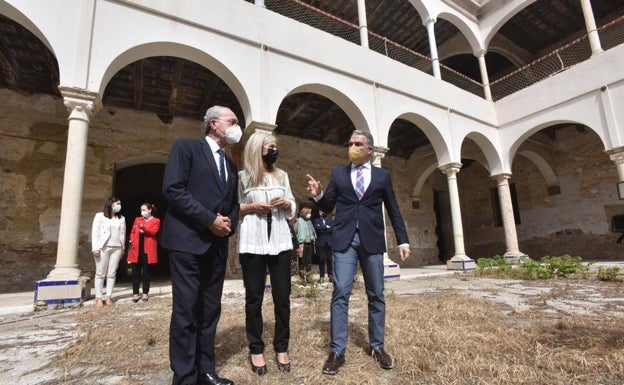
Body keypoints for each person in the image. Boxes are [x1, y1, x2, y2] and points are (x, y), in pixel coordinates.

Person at [306, 129, 411, 375]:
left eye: (358, 143)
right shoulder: (339, 173)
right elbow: (328, 205)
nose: (352, 146)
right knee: (340, 291)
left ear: (369, 150)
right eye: (350, 142)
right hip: (344, 241)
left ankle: (378, 347)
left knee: (376, 294)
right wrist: (318, 194)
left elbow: (394, 210)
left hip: (372, 242)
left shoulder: (382, 176)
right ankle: (337, 351)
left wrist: (403, 240)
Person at [160, 105, 241, 385]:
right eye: (232, 121)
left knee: (209, 311)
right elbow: (173, 189)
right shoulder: (187, 147)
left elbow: (233, 205)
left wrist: (228, 223)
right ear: (214, 123)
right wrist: (209, 220)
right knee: (186, 310)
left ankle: (206, 371)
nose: (236, 126)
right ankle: (184, 376)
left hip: (216, 246)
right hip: (187, 242)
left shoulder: (230, 165)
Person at [237, 131, 296, 375]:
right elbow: (234, 208)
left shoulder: (282, 175)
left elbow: (293, 204)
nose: (274, 150)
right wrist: (253, 206)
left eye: (275, 147)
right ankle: (256, 348)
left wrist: (286, 204)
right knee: (254, 298)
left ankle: (281, 347)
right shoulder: (242, 177)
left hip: (280, 243)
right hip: (253, 243)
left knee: (282, 298)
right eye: (269, 146)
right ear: (257, 149)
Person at [91, 196, 126, 307]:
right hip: (103, 247)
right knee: (100, 273)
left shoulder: (121, 218)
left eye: (120, 204)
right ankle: (98, 297)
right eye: (117, 203)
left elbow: (123, 234)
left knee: (111, 273)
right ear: (111, 204)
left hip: (117, 247)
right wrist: (95, 248)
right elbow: (95, 232)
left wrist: (123, 248)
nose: (119, 206)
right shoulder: (100, 216)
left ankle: (109, 296)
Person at [127, 202, 161, 303]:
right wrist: (132, 240)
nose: (142, 212)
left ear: (150, 210)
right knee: (135, 272)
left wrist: (143, 227)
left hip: (148, 249)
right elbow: (133, 232)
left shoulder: (156, 220)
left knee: (146, 273)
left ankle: (145, 293)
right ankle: (135, 293)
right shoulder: (137, 219)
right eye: (141, 210)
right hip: (136, 248)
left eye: (144, 210)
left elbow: (153, 232)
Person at [313, 210, 334, 283]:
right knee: (321, 259)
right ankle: (322, 276)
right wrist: (326, 228)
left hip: (329, 243)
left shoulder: (331, 221)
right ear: (319, 213)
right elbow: (317, 228)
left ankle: (330, 275)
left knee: (330, 259)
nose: (324, 213)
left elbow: (332, 229)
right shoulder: (316, 221)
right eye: (322, 212)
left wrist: (323, 228)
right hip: (320, 243)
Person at [296, 207, 316, 281]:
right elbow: (295, 232)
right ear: (304, 213)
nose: (309, 214)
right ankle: (301, 277)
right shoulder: (298, 222)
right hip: (302, 244)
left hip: (310, 243)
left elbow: (313, 232)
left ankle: (308, 276)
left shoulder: (309, 222)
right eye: (308, 213)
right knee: (302, 261)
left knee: (309, 261)